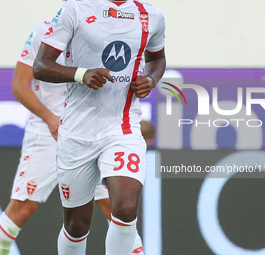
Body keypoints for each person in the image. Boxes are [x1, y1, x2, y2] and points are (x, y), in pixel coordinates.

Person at [0, 2, 146, 254]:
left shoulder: (107, 29)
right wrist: (50, 118)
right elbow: (19, 85)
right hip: (48, 131)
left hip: (94, 131)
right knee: (22, 208)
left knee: (116, 208)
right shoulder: (44, 30)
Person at [33, 0, 166, 254]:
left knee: (126, 208)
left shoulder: (151, 14)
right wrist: (80, 74)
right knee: (76, 225)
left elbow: (157, 59)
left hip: (122, 127)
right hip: (77, 131)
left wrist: (150, 79)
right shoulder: (76, 9)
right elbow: (40, 66)